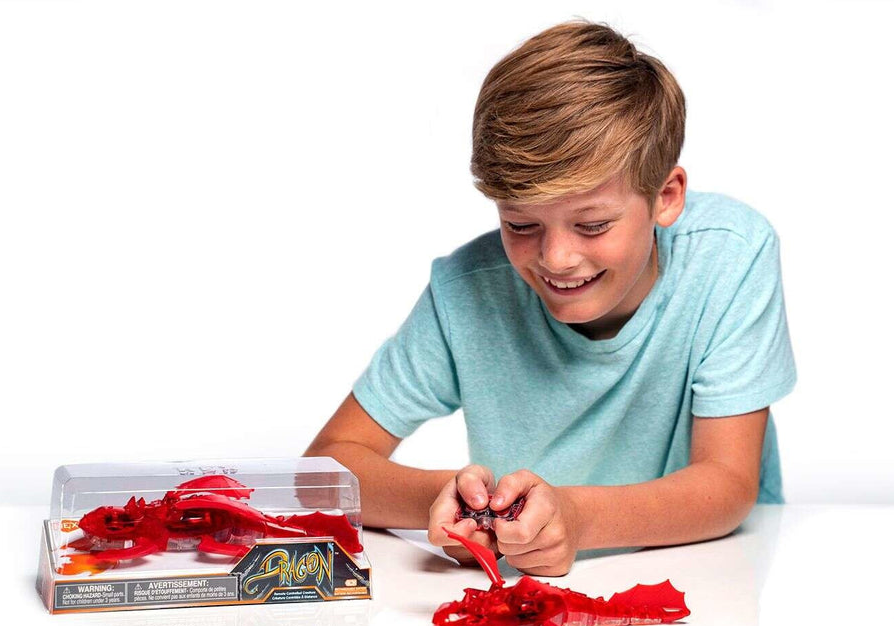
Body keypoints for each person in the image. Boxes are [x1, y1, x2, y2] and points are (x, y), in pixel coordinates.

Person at [304, 20, 796, 576]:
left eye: (592, 225)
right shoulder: (466, 292)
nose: (556, 258)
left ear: (666, 196)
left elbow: (728, 484)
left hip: (713, 575)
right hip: (527, 595)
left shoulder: (731, 256)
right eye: (520, 224)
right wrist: (442, 501)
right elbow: (325, 468)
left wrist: (578, 519)